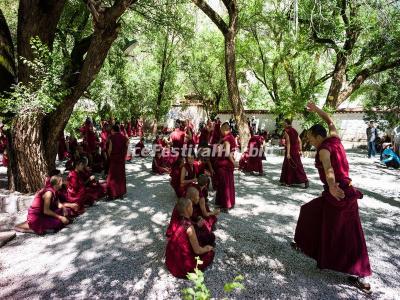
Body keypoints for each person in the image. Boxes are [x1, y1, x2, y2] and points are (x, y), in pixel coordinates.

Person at [292, 101, 372, 293]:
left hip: (338, 192)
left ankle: (359, 274)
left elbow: (328, 168)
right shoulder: (335, 138)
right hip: (345, 190)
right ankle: (314, 251)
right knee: (314, 213)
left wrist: (331, 188)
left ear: (319, 137)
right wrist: (316, 109)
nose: (310, 142)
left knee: (346, 232)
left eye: (311, 138)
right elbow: (329, 120)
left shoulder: (324, 149)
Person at [165, 197, 214, 278]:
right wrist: (208, 248)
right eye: (191, 206)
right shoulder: (189, 227)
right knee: (210, 253)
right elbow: (197, 250)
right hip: (183, 263)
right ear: (187, 209)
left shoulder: (177, 219)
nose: (192, 208)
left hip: (172, 258)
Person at [279, 119, 309, 188]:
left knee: (289, 166)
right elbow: (299, 140)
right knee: (298, 165)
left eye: (284, 123)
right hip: (296, 151)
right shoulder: (295, 130)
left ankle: (288, 182)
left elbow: (288, 142)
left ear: (287, 123)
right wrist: (300, 150)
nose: (283, 124)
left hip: (290, 151)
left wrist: (288, 153)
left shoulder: (287, 131)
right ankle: (305, 180)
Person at [215, 122, 236, 210]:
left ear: (224, 129)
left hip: (224, 165)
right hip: (228, 165)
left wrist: (234, 163)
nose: (220, 132)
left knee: (224, 185)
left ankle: (225, 205)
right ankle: (229, 202)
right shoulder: (232, 137)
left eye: (221, 130)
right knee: (229, 183)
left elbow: (227, 153)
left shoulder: (227, 139)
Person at [107, 125, 129, 200]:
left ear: (113, 130)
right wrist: (124, 154)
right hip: (121, 159)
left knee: (112, 176)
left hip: (114, 159)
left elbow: (110, 149)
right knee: (120, 176)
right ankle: (121, 193)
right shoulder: (124, 137)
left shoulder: (112, 138)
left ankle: (113, 194)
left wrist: (110, 156)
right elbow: (127, 144)